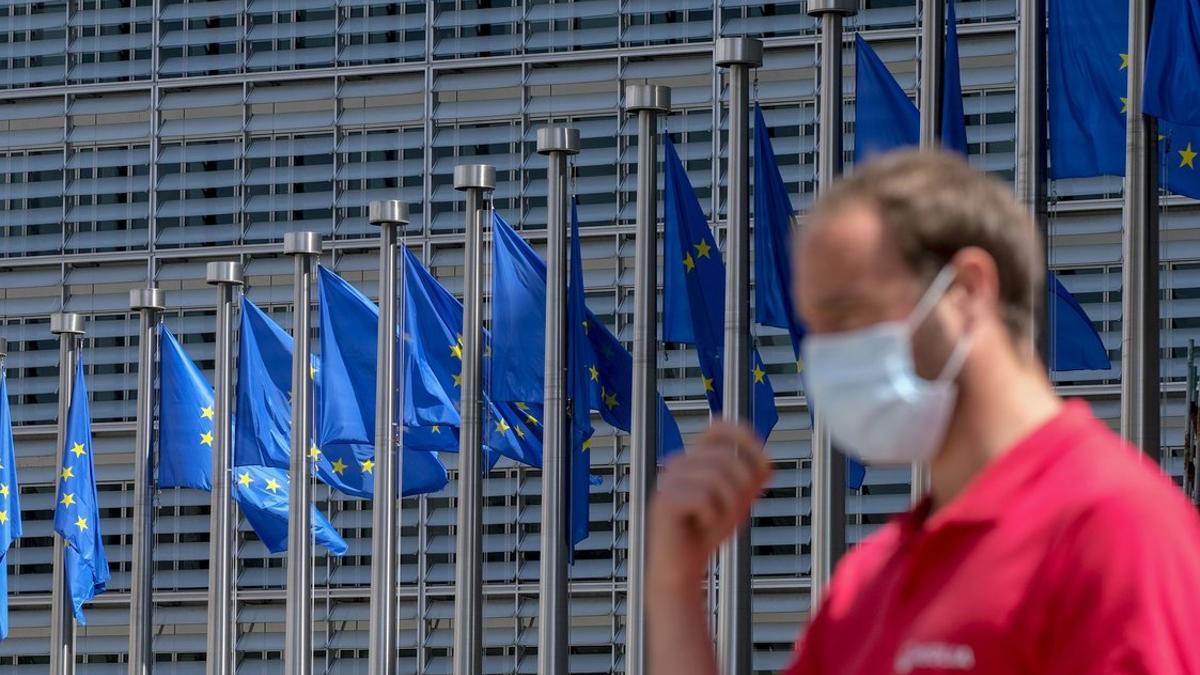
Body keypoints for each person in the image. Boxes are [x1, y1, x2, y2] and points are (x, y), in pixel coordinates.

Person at [647, 151, 1200, 674]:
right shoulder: (868, 581)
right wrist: (675, 588)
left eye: (847, 313)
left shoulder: (1113, 529)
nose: (822, 355)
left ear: (966, 291)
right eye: (813, 327)